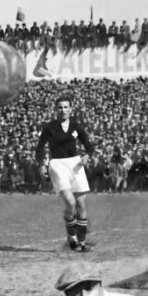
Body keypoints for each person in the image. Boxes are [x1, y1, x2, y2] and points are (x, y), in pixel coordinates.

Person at [35, 94, 96, 252]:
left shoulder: (76, 126)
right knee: (71, 203)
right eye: (60, 107)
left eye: (66, 107)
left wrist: (87, 156)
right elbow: (39, 148)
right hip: (57, 164)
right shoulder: (49, 127)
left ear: (71, 109)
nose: (63, 110)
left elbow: (89, 145)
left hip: (75, 164)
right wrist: (42, 164)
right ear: (56, 110)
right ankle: (71, 236)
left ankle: (82, 243)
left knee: (82, 205)